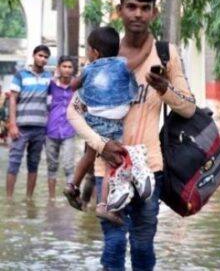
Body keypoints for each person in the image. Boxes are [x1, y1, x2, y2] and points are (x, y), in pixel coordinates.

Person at [67, 0, 196, 271]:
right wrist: (102, 146)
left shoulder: (166, 54)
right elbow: (74, 113)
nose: (138, 14)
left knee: (142, 245)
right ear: (120, 10)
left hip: (150, 166)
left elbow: (188, 108)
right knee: (113, 245)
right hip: (108, 167)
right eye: (131, 7)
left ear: (154, 12)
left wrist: (164, 88)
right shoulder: (104, 55)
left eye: (144, 8)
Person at [64, 27, 139, 225]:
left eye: (88, 49)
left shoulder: (89, 68)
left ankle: (72, 184)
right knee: (111, 165)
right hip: (114, 123)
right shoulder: (123, 65)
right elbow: (134, 88)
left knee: (88, 156)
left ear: (95, 52)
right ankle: (103, 206)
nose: (88, 54)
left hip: (93, 120)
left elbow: (74, 86)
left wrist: (74, 85)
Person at [5, 45, 53, 200]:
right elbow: (12, 99)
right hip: (21, 127)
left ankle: (29, 199)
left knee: (34, 163)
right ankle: (9, 199)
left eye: (46, 57)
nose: (43, 59)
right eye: (40, 55)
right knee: (14, 162)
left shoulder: (48, 78)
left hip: (40, 128)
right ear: (34, 56)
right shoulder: (20, 75)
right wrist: (12, 124)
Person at [45, 56, 78, 201]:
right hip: (51, 130)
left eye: (70, 67)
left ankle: (69, 199)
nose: (67, 69)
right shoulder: (51, 85)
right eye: (64, 66)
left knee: (69, 166)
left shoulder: (77, 86)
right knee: (52, 166)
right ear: (59, 68)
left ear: (73, 70)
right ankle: (51, 199)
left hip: (69, 130)